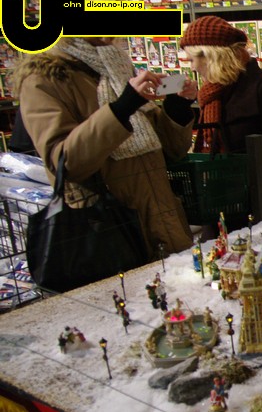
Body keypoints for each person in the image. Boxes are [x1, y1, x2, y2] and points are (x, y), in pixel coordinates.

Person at [11, 34, 196, 258]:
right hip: (108, 232)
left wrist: (178, 105)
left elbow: (171, 150)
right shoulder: (43, 78)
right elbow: (65, 162)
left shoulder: (118, 66)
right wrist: (121, 108)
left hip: (162, 217)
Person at [179, 16, 262, 219]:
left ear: (213, 56)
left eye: (193, 59)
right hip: (219, 208)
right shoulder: (211, 96)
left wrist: (256, 195)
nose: (192, 67)